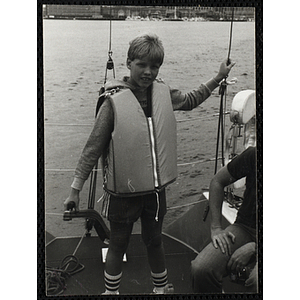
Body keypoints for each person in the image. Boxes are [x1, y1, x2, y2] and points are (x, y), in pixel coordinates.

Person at [64, 33, 235, 295]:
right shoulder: (113, 102)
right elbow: (92, 148)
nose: (148, 72)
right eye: (141, 65)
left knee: (155, 241)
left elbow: (190, 100)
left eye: (154, 66)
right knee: (118, 244)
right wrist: (75, 188)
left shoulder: (163, 93)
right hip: (122, 195)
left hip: (154, 194)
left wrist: (218, 77)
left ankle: (160, 289)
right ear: (129, 62)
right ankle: (111, 292)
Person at [191, 146, 258, 293]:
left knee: (256, 283)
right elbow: (217, 181)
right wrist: (216, 228)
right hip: (245, 228)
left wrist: (255, 248)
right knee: (201, 269)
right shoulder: (254, 154)